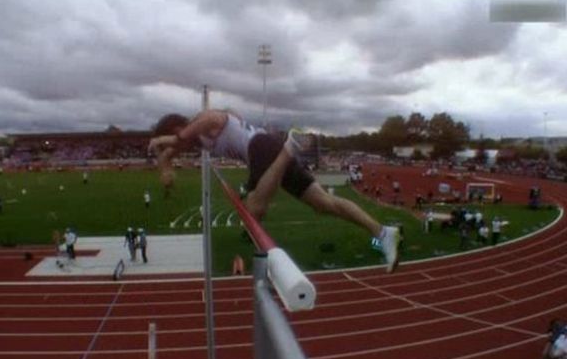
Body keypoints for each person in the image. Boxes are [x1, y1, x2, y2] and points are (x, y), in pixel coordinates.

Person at [148, 109, 400, 273]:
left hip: (260, 148)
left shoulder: (204, 120)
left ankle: (290, 148)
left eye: (174, 135)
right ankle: (383, 233)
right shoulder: (192, 137)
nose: (180, 142)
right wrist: (165, 169)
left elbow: (206, 124)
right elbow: (171, 151)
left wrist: (165, 142)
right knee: (323, 204)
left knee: (254, 208)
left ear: (176, 127)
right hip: (268, 152)